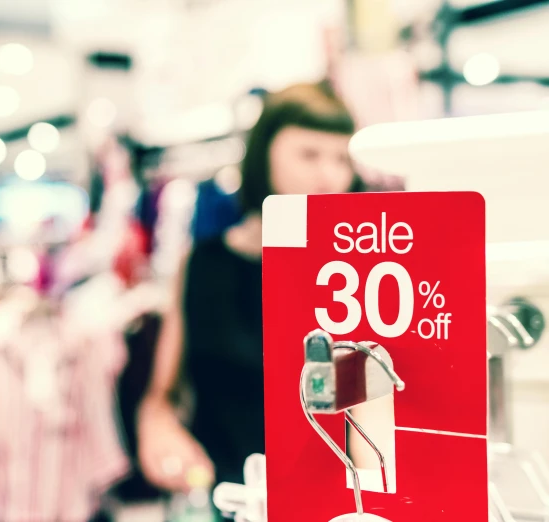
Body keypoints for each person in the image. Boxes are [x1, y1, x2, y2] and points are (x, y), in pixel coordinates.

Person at [136, 81, 401, 494]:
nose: (329, 175)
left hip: (334, 503)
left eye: (341, 159)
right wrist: (159, 429)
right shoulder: (202, 263)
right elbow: (163, 396)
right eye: (309, 154)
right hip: (229, 495)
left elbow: (379, 408)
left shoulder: (358, 275)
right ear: (265, 156)